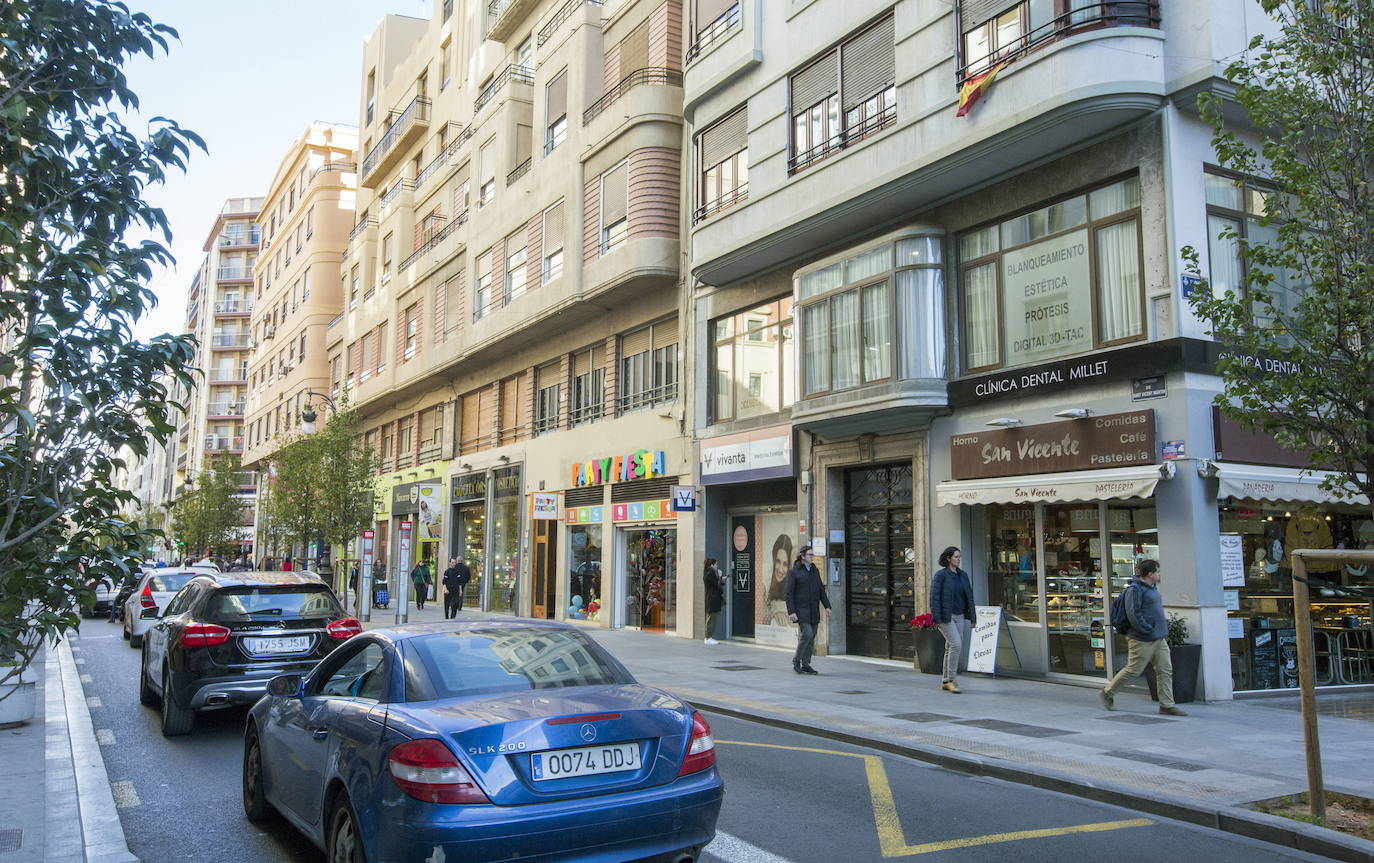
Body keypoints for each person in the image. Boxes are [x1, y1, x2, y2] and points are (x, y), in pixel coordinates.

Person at [1100, 559, 1187, 716]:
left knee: (1165, 670)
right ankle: (1108, 692)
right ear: (1150, 574)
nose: (1160, 574)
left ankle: (1166, 704)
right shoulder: (1134, 590)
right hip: (1141, 638)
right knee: (1133, 670)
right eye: (1158, 572)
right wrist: (1148, 629)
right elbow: (1134, 615)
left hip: (1158, 637)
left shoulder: (1152, 588)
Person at [931, 547, 977, 693]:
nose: (958, 559)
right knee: (956, 645)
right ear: (949, 558)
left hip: (960, 616)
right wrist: (936, 618)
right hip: (946, 617)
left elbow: (969, 597)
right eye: (956, 557)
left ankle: (945, 681)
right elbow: (934, 598)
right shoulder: (941, 575)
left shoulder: (963, 575)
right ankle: (952, 680)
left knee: (950, 647)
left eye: (959, 557)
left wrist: (973, 618)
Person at [784, 546, 830, 675]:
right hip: (801, 610)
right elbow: (789, 594)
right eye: (810, 555)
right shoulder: (794, 572)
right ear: (803, 557)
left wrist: (827, 606)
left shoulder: (815, 571)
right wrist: (791, 612)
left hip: (814, 610)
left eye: (813, 554)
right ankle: (796, 661)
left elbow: (821, 590)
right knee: (807, 634)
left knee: (811, 638)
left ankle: (806, 664)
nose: (812, 557)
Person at [764, 534, 794, 627]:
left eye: (785, 564)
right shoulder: (765, 580)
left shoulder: (791, 581)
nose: (780, 569)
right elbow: (762, 618)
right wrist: (775, 611)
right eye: (778, 561)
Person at [702, 557, 725, 645]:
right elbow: (717, 585)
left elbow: (719, 584)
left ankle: (708, 637)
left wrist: (721, 577)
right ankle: (708, 637)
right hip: (712, 599)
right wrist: (719, 576)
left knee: (711, 618)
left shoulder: (709, 573)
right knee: (711, 619)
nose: (717, 566)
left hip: (712, 599)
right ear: (712, 565)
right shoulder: (710, 573)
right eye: (716, 564)